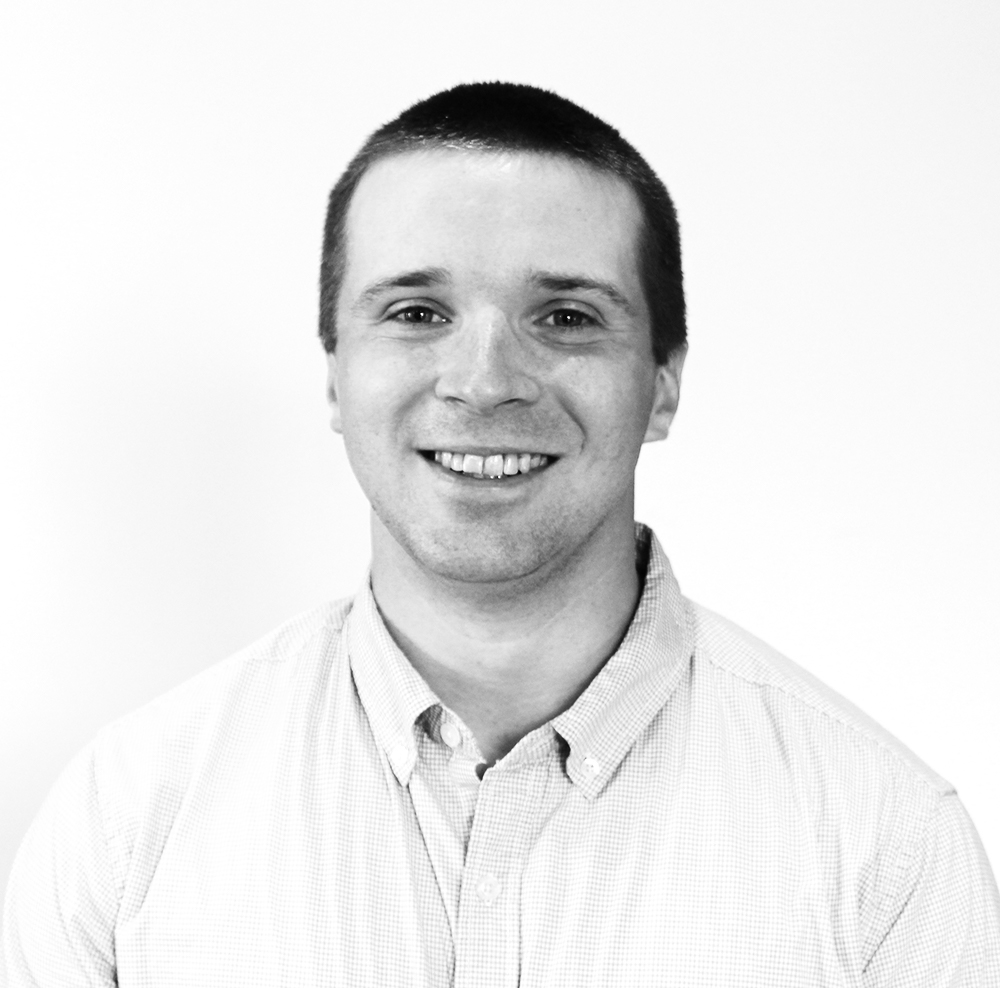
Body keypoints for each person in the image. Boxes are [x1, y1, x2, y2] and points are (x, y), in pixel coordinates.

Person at [2, 81, 998, 988]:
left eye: (564, 316)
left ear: (662, 383)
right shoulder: (127, 819)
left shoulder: (886, 843)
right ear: (335, 376)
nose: (483, 380)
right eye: (417, 310)